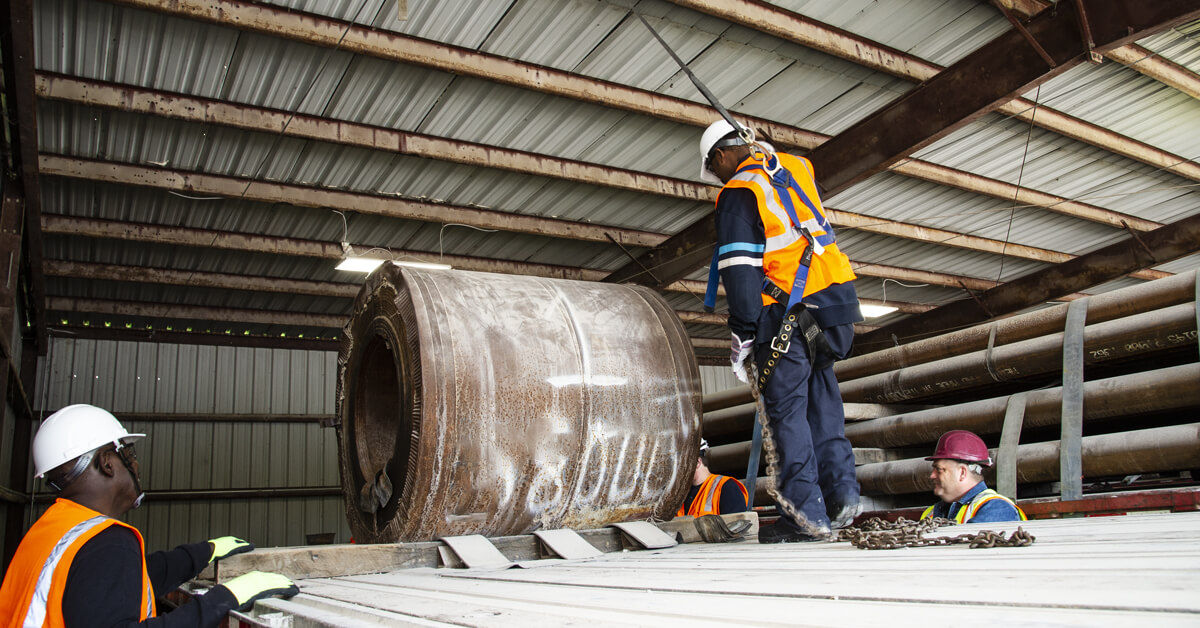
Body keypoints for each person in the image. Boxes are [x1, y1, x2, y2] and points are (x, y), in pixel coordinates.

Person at [700, 119, 863, 543]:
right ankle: (841, 495)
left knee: (787, 413)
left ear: (721, 156)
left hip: (785, 311)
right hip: (835, 306)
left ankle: (805, 518)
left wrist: (743, 335)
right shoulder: (795, 168)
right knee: (822, 399)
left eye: (713, 169)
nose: (717, 177)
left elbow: (739, 271)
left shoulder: (739, 191)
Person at [0, 404, 299, 627]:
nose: (135, 464)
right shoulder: (105, 543)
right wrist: (222, 600)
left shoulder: (55, 531)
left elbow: (122, 583)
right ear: (107, 463)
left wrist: (203, 551)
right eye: (127, 454)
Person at [921, 430, 1027, 523]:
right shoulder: (931, 513)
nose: (932, 475)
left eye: (939, 470)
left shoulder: (997, 508)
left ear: (962, 473)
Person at [677, 439, 749, 517]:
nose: (677, 470)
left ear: (697, 463)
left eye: (681, 464)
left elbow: (736, 525)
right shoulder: (680, 494)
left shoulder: (726, 487)